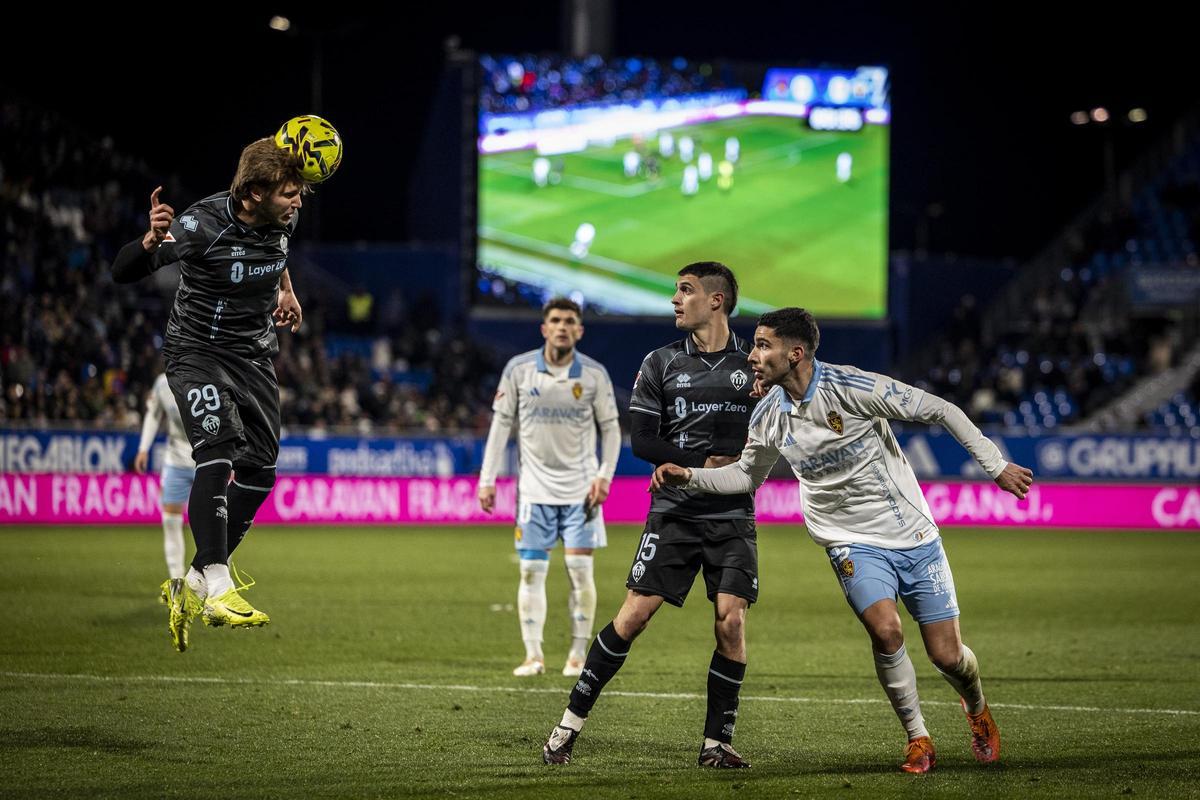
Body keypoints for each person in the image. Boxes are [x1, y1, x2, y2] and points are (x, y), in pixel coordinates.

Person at [652, 307, 1033, 773]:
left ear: (795, 354)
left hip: (910, 533)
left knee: (947, 655)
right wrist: (687, 477)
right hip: (847, 540)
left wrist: (995, 466)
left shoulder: (852, 387)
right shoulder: (770, 412)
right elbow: (747, 476)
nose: (751, 355)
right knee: (886, 631)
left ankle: (975, 706)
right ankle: (918, 738)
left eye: (761, 345)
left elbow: (941, 409)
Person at [542, 262, 759, 769]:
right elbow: (642, 440)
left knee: (731, 621)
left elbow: (772, 434)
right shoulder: (660, 362)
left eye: (685, 291)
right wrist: (695, 464)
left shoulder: (754, 366)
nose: (675, 300)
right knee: (634, 616)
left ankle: (716, 745)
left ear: (716, 301)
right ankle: (567, 726)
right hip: (675, 512)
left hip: (732, 514)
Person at [111, 138, 310, 651]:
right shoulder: (200, 226)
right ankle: (219, 581)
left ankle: (195, 580)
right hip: (197, 351)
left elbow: (277, 251)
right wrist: (151, 242)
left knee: (262, 468)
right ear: (253, 194)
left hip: (252, 354)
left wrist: (286, 290)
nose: (298, 202)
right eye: (289, 193)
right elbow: (121, 272)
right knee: (218, 449)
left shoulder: (283, 218)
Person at [478, 297, 621, 678]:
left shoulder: (593, 374)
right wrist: (487, 479)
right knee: (530, 573)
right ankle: (533, 656)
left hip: (581, 492)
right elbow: (500, 426)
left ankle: (576, 656)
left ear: (579, 330)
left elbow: (611, 429)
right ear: (544, 328)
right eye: (555, 320)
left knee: (579, 571)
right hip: (534, 492)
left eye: (569, 321)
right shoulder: (519, 370)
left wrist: (604, 475)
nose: (562, 326)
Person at [135, 372, 196, 607]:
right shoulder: (162, 383)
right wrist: (143, 448)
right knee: (170, 520)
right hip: (176, 459)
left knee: (216, 523)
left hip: (208, 459)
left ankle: (218, 585)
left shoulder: (208, 372)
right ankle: (177, 584)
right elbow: (153, 414)